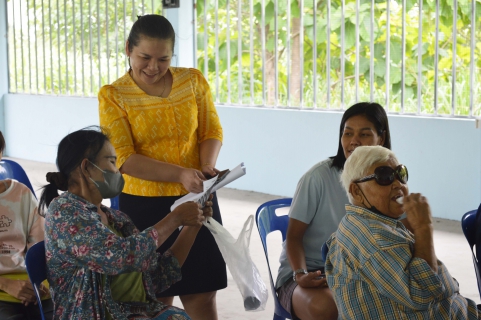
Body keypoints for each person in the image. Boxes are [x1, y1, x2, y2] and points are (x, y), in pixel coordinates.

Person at [98, 14, 225, 320]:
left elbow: (211, 131)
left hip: (198, 200)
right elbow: (124, 158)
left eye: (163, 59)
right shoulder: (114, 95)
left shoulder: (192, 81)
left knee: (202, 292)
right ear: (128, 48)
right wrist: (181, 173)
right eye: (144, 57)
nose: (153, 67)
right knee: (155, 297)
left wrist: (206, 167)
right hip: (145, 207)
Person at [39, 127, 213, 320]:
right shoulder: (64, 212)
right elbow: (119, 256)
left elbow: (156, 276)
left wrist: (192, 225)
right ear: (87, 167)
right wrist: (175, 219)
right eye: (112, 162)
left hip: (134, 313)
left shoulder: (117, 220)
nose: (118, 170)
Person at [326, 145, 480, 319]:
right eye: (384, 177)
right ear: (356, 191)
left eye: (401, 174)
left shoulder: (372, 223)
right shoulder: (374, 237)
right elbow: (423, 293)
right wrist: (423, 226)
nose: (398, 183)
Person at [275, 102, 392, 320]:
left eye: (364, 134)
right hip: (312, 274)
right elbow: (293, 237)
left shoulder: (389, 180)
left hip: (362, 273)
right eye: (347, 133)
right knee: (330, 308)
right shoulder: (318, 177)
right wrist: (300, 274)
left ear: (381, 139)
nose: (354, 141)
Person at [0, 131, 54, 319]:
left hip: (32, 286)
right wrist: (6, 284)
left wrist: (37, 280)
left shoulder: (21, 195)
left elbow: (40, 246)